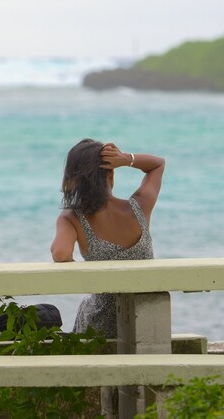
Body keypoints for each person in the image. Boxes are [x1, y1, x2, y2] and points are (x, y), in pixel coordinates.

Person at [50, 138, 165, 338]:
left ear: (72, 180)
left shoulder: (72, 218)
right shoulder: (140, 207)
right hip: (146, 319)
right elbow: (157, 164)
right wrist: (126, 159)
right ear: (111, 173)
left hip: (101, 324)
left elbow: (61, 254)